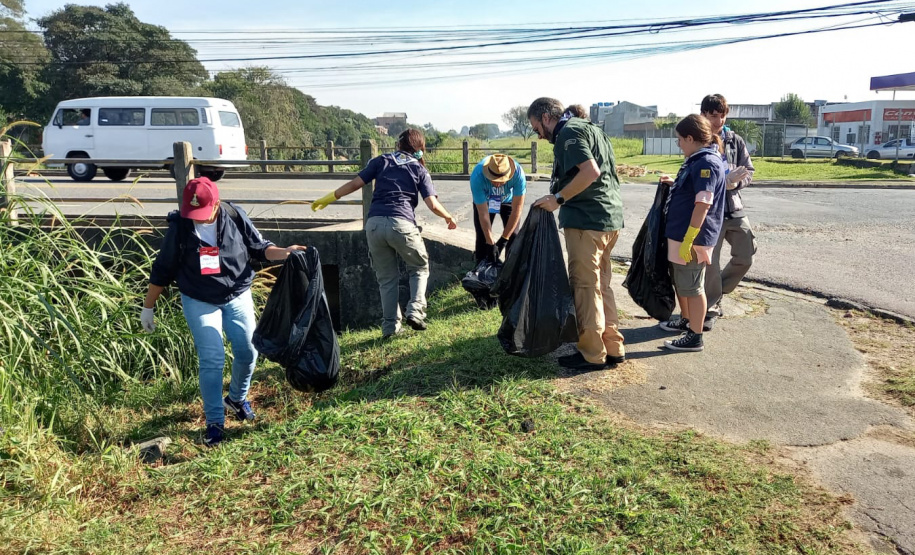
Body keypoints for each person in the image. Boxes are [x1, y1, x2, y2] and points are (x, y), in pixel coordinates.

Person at [141, 177, 307, 446]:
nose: (198, 218)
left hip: (237, 294)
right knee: (212, 358)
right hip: (199, 299)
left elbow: (260, 248)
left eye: (203, 212)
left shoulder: (234, 215)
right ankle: (215, 422)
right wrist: (148, 307)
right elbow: (163, 268)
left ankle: (237, 400)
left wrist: (286, 253)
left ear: (217, 204)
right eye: (193, 212)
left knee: (248, 351)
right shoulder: (181, 225)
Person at [311, 129, 457, 338]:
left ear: (398, 145)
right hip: (402, 224)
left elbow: (355, 183)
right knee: (418, 268)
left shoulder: (381, 161)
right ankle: (415, 311)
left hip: (374, 225)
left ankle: (390, 328)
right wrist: (448, 217)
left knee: (387, 279)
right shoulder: (419, 169)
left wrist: (329, 198)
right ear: (420, 148)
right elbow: (432, 204)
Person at [528, 97, 625, 371]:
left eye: (536, 128)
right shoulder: (592, 128)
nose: (538, 134)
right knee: (602, 285)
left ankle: (592, 353)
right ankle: (613, 347)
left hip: (586, 222)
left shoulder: (568, 134)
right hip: (609, 219)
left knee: (585, 287)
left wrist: (558, 198)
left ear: (546, 117)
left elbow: (590, 172)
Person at [658, 115, 727, 352]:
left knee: (693, 288)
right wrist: (674, 185)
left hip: (693, 238)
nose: (678, 144)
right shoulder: (697, 160)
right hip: (682, 234)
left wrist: (689, 238)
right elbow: (693, 193)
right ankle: (686, 320)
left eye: (679, 139)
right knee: (683, 283)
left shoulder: (706, 163)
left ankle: (695, 336)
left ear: (690, 138)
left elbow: (703, 204)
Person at [700, 94, 756, 331]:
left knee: (746, 253)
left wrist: (736, 183)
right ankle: (709, 307)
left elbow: (749, 170)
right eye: (714, 116)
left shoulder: (735, 140)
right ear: (704, 115)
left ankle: (716, 292)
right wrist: (723, 181)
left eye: (722, 115)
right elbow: (696, 175)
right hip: (709, 211)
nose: (719, 120)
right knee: (710, 262)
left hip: (734, 207)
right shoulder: (698, 139)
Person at [469, 153, 526, 263]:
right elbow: (483, 214)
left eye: (501, 181)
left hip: (508, 200)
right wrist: (490, 243)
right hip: (486, 200)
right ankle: (481, 266)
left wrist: (503, 240)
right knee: (482, 235)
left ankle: (510, 268)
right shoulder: (477, 176)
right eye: (494, 180)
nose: (497, 185)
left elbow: (517, 209)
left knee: (513, 235)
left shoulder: (518, 174)